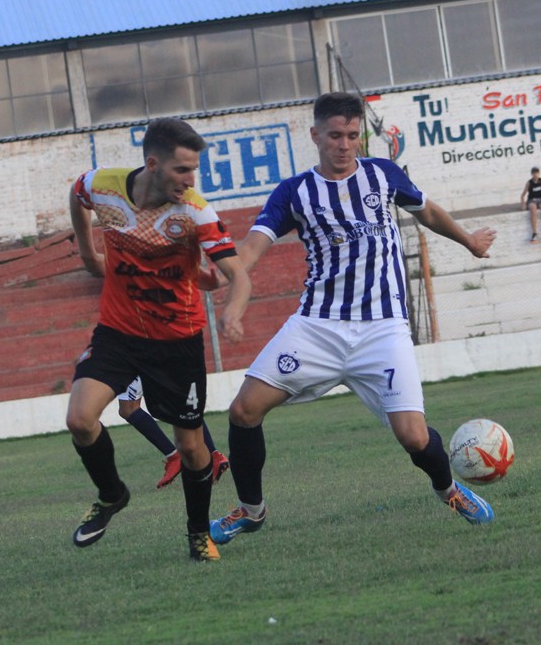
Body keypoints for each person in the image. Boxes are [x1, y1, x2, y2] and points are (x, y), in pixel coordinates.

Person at [209, 92, 498, 547]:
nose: (344, 145)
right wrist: (225, 275)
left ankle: (449, 491)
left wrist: (469, 241)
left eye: (352, 135)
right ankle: (251, 511)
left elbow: (429, 212)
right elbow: (251, 248)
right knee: (244, 410)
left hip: (383, 328)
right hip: (317, 326)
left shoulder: (383, 175)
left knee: (413, 436)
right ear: (315, 136)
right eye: (334, 136)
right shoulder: (295, 192)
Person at [66, 117, 252, 561]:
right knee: (79, 419)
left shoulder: (194, 211)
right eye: (182, 170)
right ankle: (112, 495)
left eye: (194, 171)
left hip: (176, 341)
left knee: (191, 447)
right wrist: (88, 251)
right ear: (153, 164)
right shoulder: (103, 186)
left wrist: (232, 311)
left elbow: (237, 276)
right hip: (118, 332)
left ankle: (195, 533)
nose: (191, 181)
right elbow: (77, 195)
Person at [116, 377, 230, 489]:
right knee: (178, 401)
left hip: (139, 359)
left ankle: (174, 457)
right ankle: (215, 456)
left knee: (128, 408)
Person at [520, 166, 541, 242]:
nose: (535, 175)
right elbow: (523, 195)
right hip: (531, 200)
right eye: (534, 174)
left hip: (540, 199)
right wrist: (523, 205)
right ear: (532, 174)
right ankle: (534, 233)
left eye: (536, 173)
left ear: (539, 173)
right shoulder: (529, 183)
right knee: (533, 209)